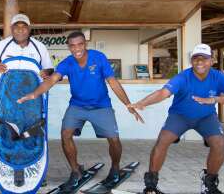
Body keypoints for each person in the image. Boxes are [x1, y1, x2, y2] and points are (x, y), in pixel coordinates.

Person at [18, 31, 144, 192]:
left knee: (114, 139)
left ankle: (115, 167)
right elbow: (52, 80)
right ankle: (76, 170)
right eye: (72, 45)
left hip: (101, 106)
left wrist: (128, 104)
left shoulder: (98, 58)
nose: (77, 48)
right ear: (69, 47)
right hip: (77, 106)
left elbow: (113, 82)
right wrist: (34, 94)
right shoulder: (67, 63)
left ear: (85, 44)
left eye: (80, 44)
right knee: (65, 134)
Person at [127, 44, 224, 194]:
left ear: (212, 61)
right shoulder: (183, 77)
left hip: (206, 117)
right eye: (196, 59)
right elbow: (163, 93)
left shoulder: (218, 77)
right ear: (191, 61)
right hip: (180, 116)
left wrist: (215, 99)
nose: (199, 62)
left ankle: (209, 184)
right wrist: (142, 103)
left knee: (219, 144)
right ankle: (151, 186)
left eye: (204, 59)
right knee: (162, 141)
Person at [0, 13, 54, 79]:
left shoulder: (40, 46)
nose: (20, 30)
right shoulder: (1, 45)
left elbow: (50, 69)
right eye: (16, 27)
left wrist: (46, 72)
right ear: (11, 29)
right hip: (6, 91)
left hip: (33, 90)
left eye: (24, 27)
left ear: (29, 29)